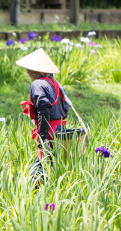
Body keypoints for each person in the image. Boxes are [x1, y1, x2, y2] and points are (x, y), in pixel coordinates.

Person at [16, 48, 85, 187]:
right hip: (60, 128)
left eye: (28, 69)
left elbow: (44, 108)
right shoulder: (55, 84)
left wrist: (42, 137)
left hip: (48, 129)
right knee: (53, 163)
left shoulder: (37, 84)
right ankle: (51, 189)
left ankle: (31, 192)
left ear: (33, 70)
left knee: (39, 167)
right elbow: (63, 108)